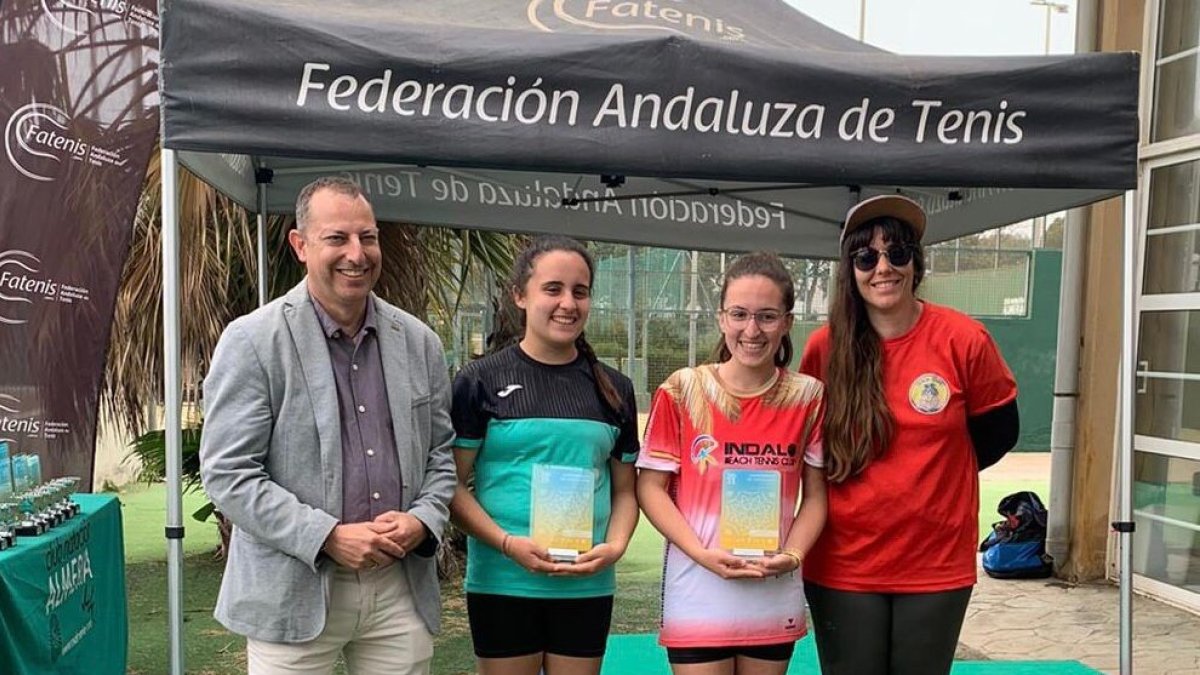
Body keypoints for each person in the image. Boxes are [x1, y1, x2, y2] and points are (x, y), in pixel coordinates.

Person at [199, 176, 456, 675]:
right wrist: (326, 536)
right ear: (301, 244)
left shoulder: (420, 343)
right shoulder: (253, 341)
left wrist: (423, 519)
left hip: (398, 590)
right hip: (291, 590)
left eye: (368, 236)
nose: (357, 254)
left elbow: (439, 455)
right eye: (337, 238)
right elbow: (229, 474)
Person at [798, 195, 1020, 675]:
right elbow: (810, 447)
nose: (884, 267)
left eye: (897, 253)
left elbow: (1000, 431)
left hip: (934, 563)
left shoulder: (964, 339)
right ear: (850, 269)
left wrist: (932, 476)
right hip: (844, 562)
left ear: (915, 263)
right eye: (867, 257)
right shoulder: (824, 347)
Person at [449, 235, 640, 675]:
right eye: (552, 289)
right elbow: (451, 485)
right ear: (520, 295)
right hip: (503, 580)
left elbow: (626, 492)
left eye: (580, 291)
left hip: (585, 585)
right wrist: (507, 544)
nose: (567, 303)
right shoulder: (479, 381)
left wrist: (613, 547)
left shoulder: (615, 389)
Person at [637, 251, 828, 675]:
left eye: (767, 316)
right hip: (698, 591)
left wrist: (793, 555)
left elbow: (815, 498)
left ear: (787, 322)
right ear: (722, 318)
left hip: (771, 592)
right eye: (739, 314)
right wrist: (701, 553)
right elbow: (650, 489)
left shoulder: (809, 397)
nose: (752, 330)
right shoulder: (682, 390)